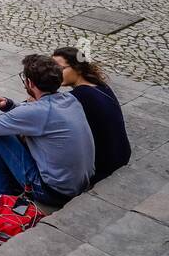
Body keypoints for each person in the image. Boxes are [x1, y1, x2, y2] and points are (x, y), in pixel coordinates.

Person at [0, 54, 95, 208]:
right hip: (79, 184)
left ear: (30, 83)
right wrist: (8, 105)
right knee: (6, 130)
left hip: (52, 193)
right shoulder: (70, 100)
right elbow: (33, 114)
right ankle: (8, 184)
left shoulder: (39, 112)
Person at [52, 47, 130, 183]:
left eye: (60, 69)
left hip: (101, 166)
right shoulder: (100, 85)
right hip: (121, 154)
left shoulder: (79, 97)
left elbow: (44, 118)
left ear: (78, 69)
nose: (54, 74)